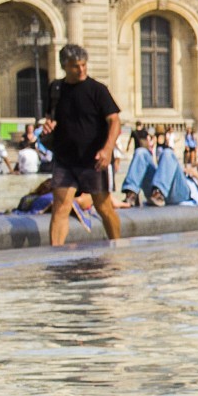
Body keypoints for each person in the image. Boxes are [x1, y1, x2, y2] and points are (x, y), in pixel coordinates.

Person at [40, 44, 124, 246]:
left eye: (84, 65)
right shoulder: (56, 89)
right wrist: (49, 125)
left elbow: (114, 121)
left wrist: (107, 150)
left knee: (103, 207)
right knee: (61, 207)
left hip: (94, 159)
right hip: (65, 158)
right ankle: (56, 253)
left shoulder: (97, 90)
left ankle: (117, 245)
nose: (81, 70)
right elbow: (51, 117)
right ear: (64, 66)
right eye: (76, 66)